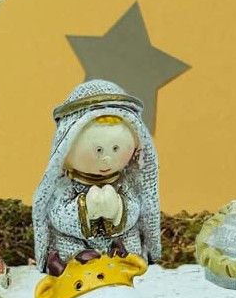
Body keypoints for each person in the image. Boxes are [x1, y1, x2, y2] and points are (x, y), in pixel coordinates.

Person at [32, 79, 160, 271]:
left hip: (119, 237)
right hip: (78, 240)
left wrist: (118, 210)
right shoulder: (67, 186)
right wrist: (86, 210)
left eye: (116, 149)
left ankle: (125, 259)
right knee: (68, 243)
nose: (107, 159)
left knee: (129, 238)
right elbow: (58, 214)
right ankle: (76, 262)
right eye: (98, 150)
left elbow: (135, 207)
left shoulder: (123, 184)